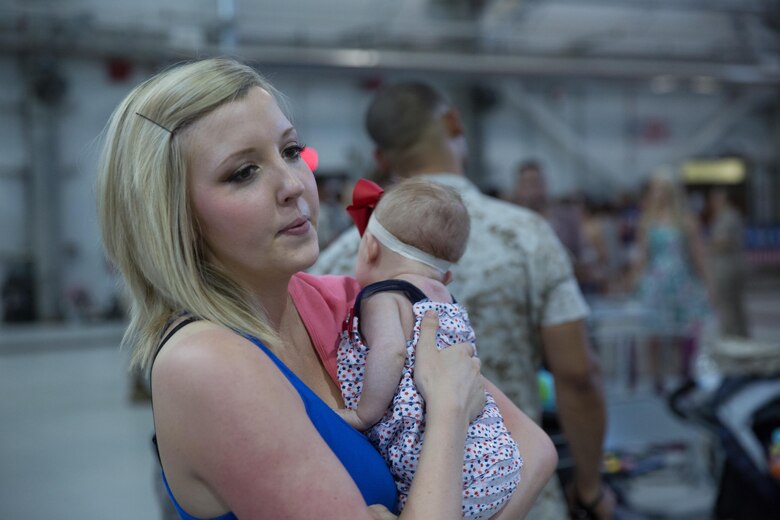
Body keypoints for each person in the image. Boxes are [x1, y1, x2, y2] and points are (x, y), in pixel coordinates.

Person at [96, 57, 557, 520]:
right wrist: (449, 412)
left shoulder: (339, 300)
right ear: (172, 218)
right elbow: (479, 420)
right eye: (243, 172)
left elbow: (536, 450)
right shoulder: (207, 363)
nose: (294, 184)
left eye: (291, 151)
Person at [313, 81, 614, 520]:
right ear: (454, 122)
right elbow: (577, 375)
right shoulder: (526, 235)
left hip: (409, 496)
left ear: (380, 159)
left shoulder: (343, 258)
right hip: (516, 481)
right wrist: (589, 488)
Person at [336, 177, 522, 518]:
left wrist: (364, 413)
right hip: (494, 463)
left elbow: (390, 352)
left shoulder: (383, 296)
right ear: (446, 277)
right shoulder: (448, 301)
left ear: (371, 248)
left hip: (436, 466)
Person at [629, 171, 713, 393]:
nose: (659, 193)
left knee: (682, 333)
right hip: (656, 282)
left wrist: (707, 284)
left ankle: (683, 377)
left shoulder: (686, 220)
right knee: (654, 334)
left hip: (680, 281)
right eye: (656, 188)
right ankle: (657, 380)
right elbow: (642, 255)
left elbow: (697, 254)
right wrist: (633, 280)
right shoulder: (647, 220)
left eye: (663, 188)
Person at [707, 188, 750, 338]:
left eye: (714, 199)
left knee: (728, 306)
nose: (712, 203)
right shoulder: (730, 215)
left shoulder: (728, 217)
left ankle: (733, 339)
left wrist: (706, 247)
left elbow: (723, 242)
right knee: (735, 305)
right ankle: (741, 338)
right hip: (733, 265)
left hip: (727, 267)